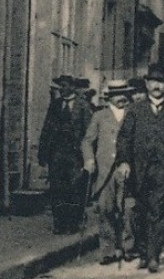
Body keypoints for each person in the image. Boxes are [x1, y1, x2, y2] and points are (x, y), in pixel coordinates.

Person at [114, 63, 164, 274]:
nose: (157, 86)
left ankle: (154, 256)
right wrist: (124, 162)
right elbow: (124, 139)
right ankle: (144, 252)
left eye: (161, 82)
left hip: (163, 171)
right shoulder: (136, 110)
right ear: (146, 84)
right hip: (138, 171)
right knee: (140, 213)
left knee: (159, 213)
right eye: (153, 81)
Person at [84, 79, 134, 264]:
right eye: (117, 94)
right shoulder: (99, 116)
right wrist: (89, 159)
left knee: (127, 209)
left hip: (127, 168)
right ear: (109, 97)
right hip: (105, 171)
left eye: (124, 93)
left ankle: (127, 247)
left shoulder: (133, 113)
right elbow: (88, 141)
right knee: (106, 209)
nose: (122, 98)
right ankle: (108, 250)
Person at [39, 75, 93, 234]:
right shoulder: (55, 106)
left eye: (64, 86)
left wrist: (88, 156)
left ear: (72, 87)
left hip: (76, 156)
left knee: (74, 188)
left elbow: (89, 133)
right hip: (57, 154)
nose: (62, 89)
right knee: (57, 188)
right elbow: (46, 129)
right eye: (60, 86)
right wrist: (43, 154)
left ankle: (73, 223)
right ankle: (59, 223)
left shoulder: (83, 106)